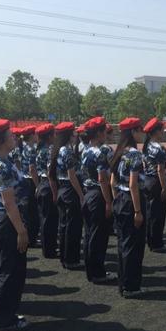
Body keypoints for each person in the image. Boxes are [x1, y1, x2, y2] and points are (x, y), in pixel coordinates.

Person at [0, 119, 29, 331]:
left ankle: (2, 315)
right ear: (0, 141)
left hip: (4, 218)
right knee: (8, 271)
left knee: (2, 269)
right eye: (10, 135)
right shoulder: (1, 165)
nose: (14, 137)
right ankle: (5, 320)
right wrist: (21, 231)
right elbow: (9, 202)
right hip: (7, 220)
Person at [110, 117, 147, 298]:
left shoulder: (119, 152)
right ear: (133, 132)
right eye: (140, 130)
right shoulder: (134, 154)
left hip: (120, 199)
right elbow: (133, 185)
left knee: (123, 244)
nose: (142, 133)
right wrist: (137, 211)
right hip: (132, 201)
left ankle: (123, 283)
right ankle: (131, 286)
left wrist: (117, 200)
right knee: (134, 246)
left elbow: (112, 182)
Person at [80, 116, 115, 283]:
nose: (106, 134)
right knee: (99, 236)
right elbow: (102, 178)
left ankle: (91, 271)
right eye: (104, 131)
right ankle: (98, 273)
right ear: (99, 133)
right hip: (98, 194)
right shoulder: (102, 151)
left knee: (90, 234)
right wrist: (108, 201)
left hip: (88, 193)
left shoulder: (85, 150)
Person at [49, 122, 83, 269]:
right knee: (72, 227)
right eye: (73, 133)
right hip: (70, 190)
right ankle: (71, 259)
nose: (75, 135)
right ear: (68, 135)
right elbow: (72, 175)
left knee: (64, 226)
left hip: (62, 189)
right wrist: (81, 195)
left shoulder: (57, 149)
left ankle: (65, 257)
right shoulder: (67, 151)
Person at [142, 117, 166, 253]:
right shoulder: (160, 148)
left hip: (147, 180)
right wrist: (164, 187)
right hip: (156, 181)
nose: (163, 132)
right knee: (158, 214)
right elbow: (160, 170)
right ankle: (157, 243)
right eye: (161, 130)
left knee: (150, 212)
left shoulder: (147, 146)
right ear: (156, 131)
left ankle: (150, 239)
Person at [35, 123, 58, 259]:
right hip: (48, 185)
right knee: (50, 220)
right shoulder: (49, 150)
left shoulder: (39, 149)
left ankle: (47, 248)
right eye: (54, 134)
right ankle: (50, 249)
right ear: (49, 136)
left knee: (44, 219)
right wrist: (55, 193)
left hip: (42, 184)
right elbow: (51, 174)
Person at [19, 126, 40, 248]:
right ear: (32, 135)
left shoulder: (22, 147)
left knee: (28, 211)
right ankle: (31, 238)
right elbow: (32, 169)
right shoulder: (31, 149)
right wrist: (37, 185)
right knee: (32, 212)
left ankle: (30, 237)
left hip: (24, 180)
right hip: (30, 181)